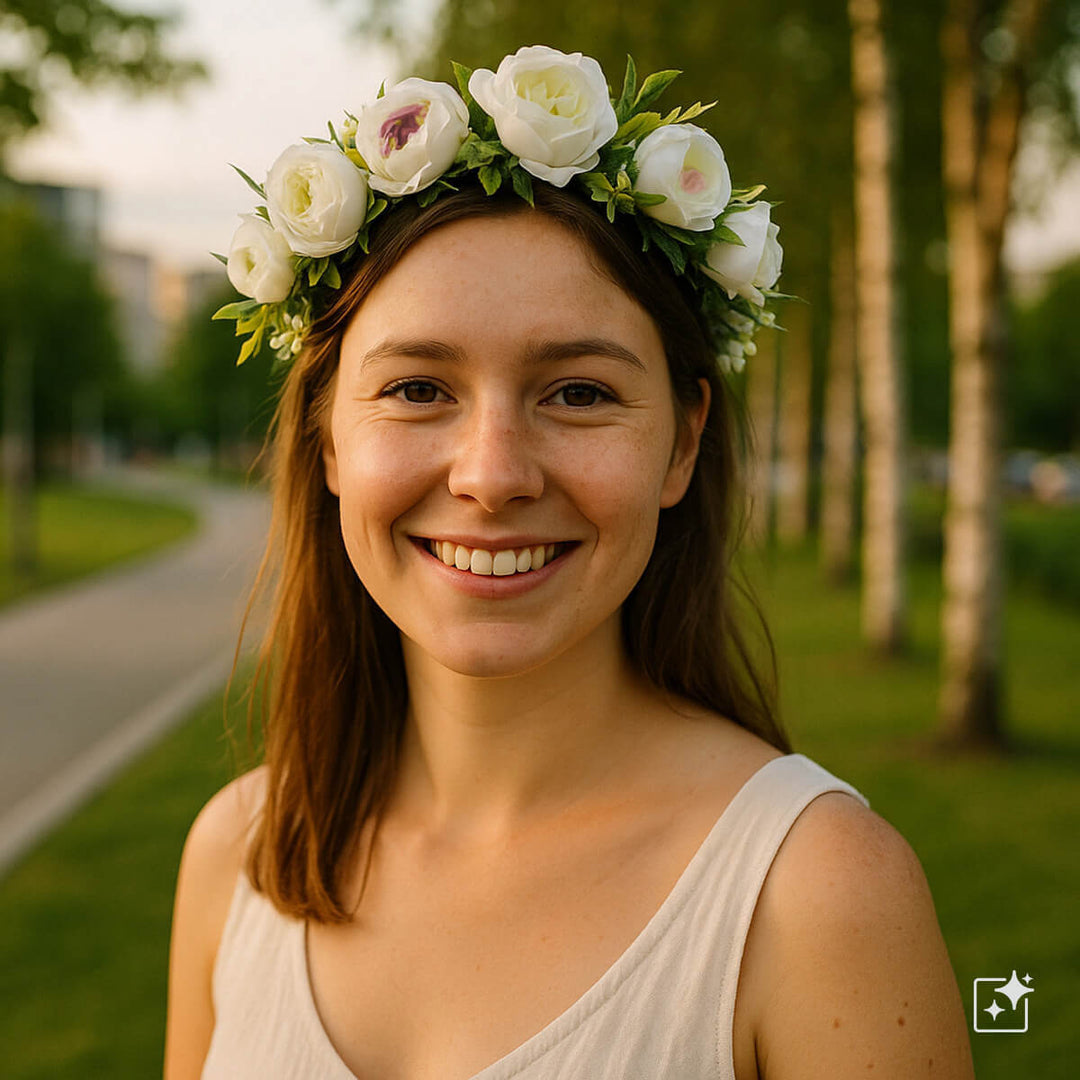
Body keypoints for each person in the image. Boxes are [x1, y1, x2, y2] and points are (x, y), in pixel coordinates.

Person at [164, 46, 974, 1080]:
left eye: (579, 393)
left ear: (683, 444)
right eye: (418, 389)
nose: (492, 476)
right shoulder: (238, 853)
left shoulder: (816, 895)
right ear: (326, 440)